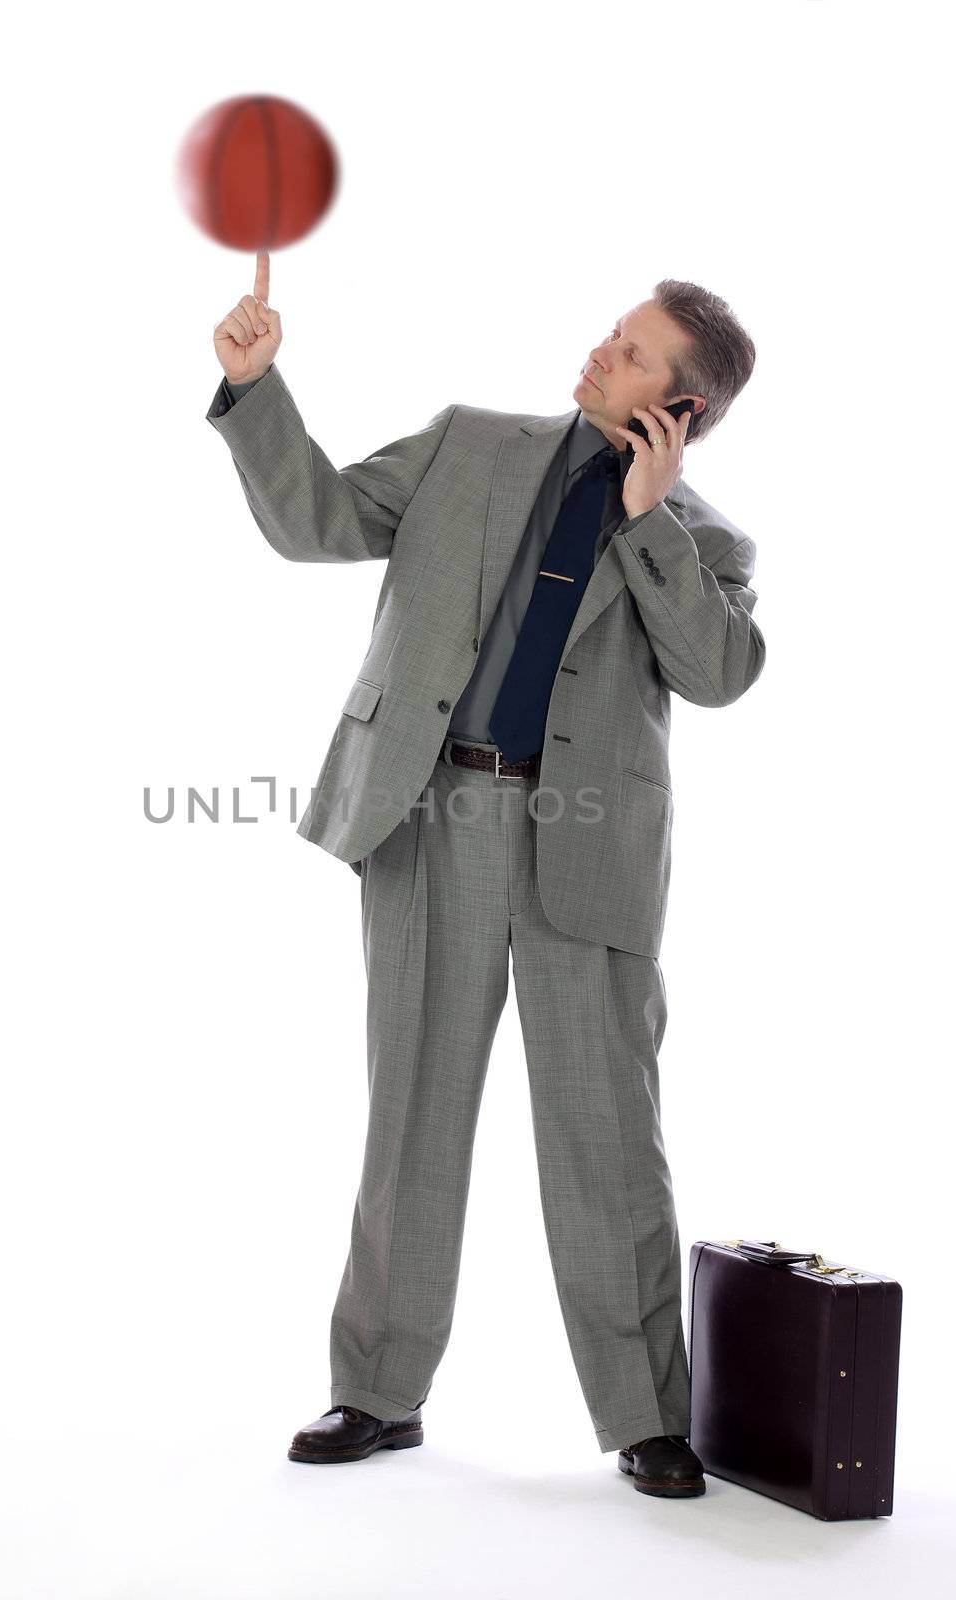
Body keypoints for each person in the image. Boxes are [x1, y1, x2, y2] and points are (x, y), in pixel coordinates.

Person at [205, 250, 765, 1500]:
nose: (598, 353)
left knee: (608, 1130)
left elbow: (723, 672)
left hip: (587, 844)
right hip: (427, 806)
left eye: (630, 355)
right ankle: (376, 1391)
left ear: (681, 411)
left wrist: (648, 521)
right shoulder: (469, 442)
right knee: (411, 1111)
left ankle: (645, 1415)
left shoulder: (704, 543)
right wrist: (258, 388)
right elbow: (321, 524)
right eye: (611, 333)